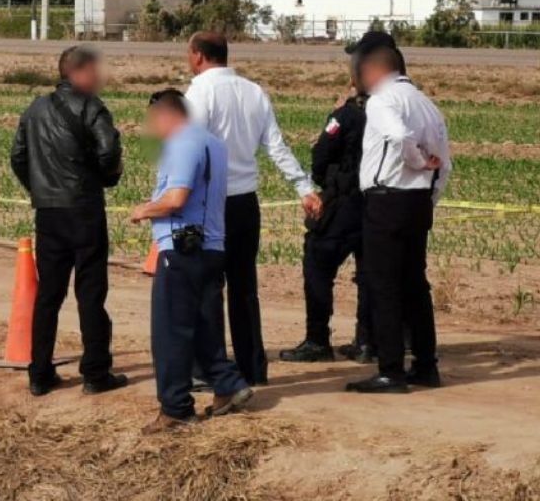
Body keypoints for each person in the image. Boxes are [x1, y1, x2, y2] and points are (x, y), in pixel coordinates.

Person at [184, 32, 321, 385]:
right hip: (246, 202)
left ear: (198, 56)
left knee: (207, 287)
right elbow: (276, 147)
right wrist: (303, 187)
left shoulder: (200, 91)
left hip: (210, 204)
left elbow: (192, 149)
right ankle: (252, 367)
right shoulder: (254, 91)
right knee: (244, 288)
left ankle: (211, 370)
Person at [131, 89, 252, 433]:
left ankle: (176, 407)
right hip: (211, 246)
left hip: (181, 248)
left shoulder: (181, 143)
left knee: (170, 330)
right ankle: (227, 385)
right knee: (204, 323)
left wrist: (144, 210)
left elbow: (176, 198)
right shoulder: (214, 143)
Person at [10, 45, 127, 397]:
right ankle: (95, 373)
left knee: (49, 294)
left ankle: (40, 373)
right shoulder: (91, 107)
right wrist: (105, 177)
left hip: (49, 213)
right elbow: (109, 150)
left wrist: (40, 189)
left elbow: (17, 156)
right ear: (82, 72)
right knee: (90, 293)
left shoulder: (35, 108)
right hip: (84, 209)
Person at [346, 45, 450, 393]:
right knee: (415, 286)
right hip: (418, 201)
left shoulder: (381, 101)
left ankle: (391, 370)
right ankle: (425, 366)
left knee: (384, 285)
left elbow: (401, 136)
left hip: (386, 201)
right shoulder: (426, 104)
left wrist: (417, 162)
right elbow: (445, 164)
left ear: (372, 71)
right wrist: (428, 195)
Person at [280, 60, 374, 363]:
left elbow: (321, 155)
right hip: (378, 204)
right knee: (370, 273)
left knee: (318, 265)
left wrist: (339, 111)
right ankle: (367, 341)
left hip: (343, 202)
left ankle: (318, 340)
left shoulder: (344, 115)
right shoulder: (391, 112)